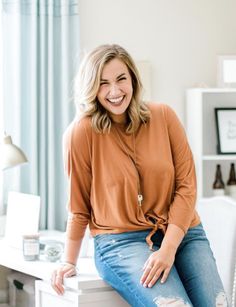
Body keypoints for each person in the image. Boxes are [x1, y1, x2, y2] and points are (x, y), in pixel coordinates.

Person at [51, 44, 227, 306]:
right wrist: (68, 260)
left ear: (132, 78)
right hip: (121, 240)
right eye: (103, 83)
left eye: (121, 79)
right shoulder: (81, 133)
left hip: (183, 233)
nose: (114, 91)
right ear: (92, 88)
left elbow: (187, 186)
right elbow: (79, 207)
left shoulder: (164, 116)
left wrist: (167, 249)